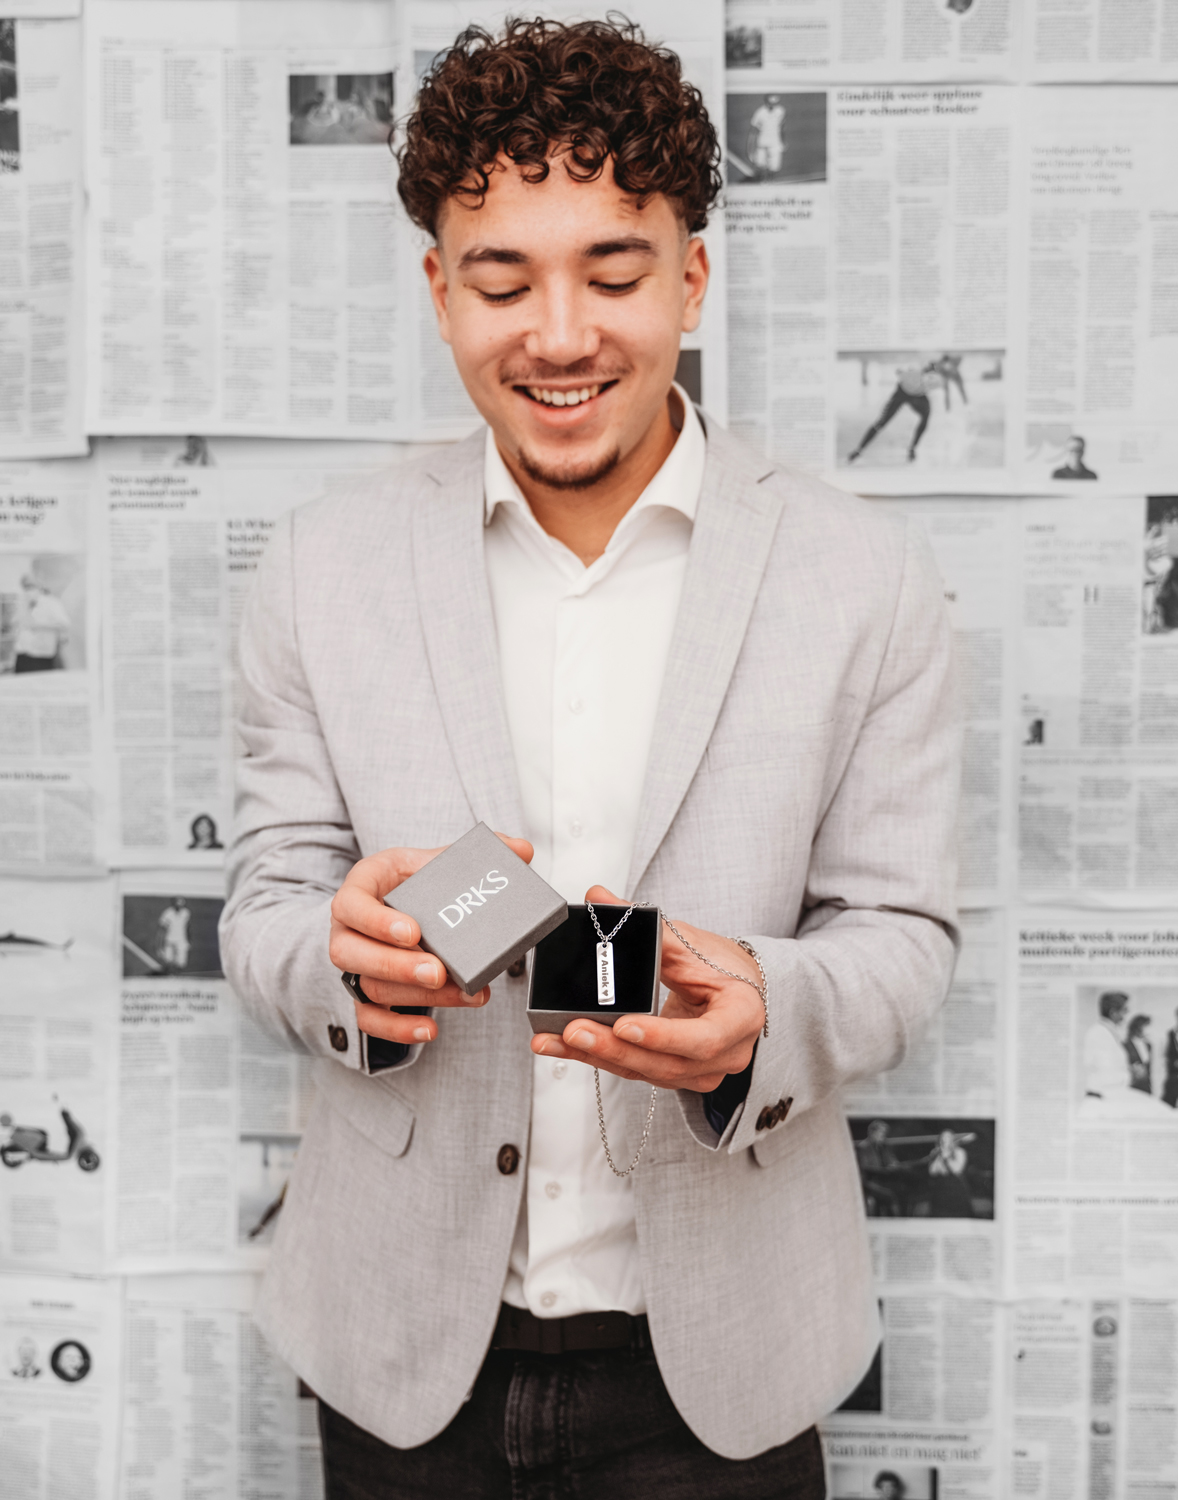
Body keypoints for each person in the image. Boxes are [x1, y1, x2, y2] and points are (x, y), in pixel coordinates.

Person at [219, 19, 960, 1498]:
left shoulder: (868, 579)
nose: (560, 335)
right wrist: (341, 956)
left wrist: (765, 1012)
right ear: (441, 292)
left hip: (721, 1364)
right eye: (503, 280)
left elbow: (904, 938)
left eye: (615, 274)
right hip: (401, 1348)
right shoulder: (315, 571)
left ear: (694, 275)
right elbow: (265, 908)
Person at [847, 363, 941, 465]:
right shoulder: (913, 374)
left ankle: (912, 448)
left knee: (925, 417)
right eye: (929, 376)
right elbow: (899, 371)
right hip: (902, 393)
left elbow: (900, 372)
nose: (930, 380)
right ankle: (859, 450)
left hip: (916, 395)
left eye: (932, 377)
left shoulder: (934, 380)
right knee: (881, 422)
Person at [14, 574, 70, 672]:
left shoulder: (52, 603)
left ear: (40, 586)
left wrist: (39, 625)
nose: (28, 589)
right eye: (25, 586)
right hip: (22, 652)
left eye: (31, 585)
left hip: (41, 655)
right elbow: (19, 621)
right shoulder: (23, 601)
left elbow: (64, 624)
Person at [1084, 991, 1133, 1099]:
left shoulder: (1110, 1033)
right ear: (1113, 1013)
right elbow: (1106, 1074)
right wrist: (1131, 1074)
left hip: (1111, 1094)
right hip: (1102, 1097)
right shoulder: (1098, 1034)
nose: (1126, 1015)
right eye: (1124, 1011)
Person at [925, 1128, 976, 1218]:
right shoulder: (936, 1152)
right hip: (940, 1188)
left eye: (947, 1137)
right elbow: (932, 1172)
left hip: (956, 1187)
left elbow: (956, 1169)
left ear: (952, 1139)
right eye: (942, 1137)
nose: (944, 1139)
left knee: (958, 1216)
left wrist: (946, 1157)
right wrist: (938, 1156)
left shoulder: (960, 1152)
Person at [748, 94, 785, 177]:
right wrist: (750, 146)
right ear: (766, 102)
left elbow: (782, 127)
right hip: (762, 142)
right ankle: (763, 181)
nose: (772, 104)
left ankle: (771, 182)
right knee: (761, 164)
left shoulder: (780, 111)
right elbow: (753, 130)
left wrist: (783, 141)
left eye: (775, 102)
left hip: (775, 142)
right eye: (771, 102)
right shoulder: (759, 112)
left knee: (774, 166)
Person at [157, 898, 191, 972]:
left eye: (181, 902)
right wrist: (160, 945)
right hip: (169, 940)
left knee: (181, 963)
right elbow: (162, 930)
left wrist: (188, 940)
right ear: (174, 903)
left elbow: (187, 927)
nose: (179, 904)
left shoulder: (186, 913)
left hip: (181, 940)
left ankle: (178, 979)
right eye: (178, 902)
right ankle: (168, 978)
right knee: (168, 961)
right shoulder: (167, 913)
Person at [1125, 1013, 1152, 1094]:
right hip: (1132, 1086)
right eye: (1145, 1026)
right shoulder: (1126, 1045)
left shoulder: (1148, 1045)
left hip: (1146, 1086)